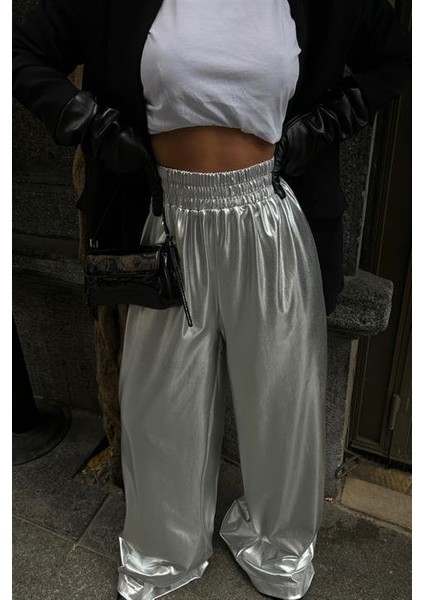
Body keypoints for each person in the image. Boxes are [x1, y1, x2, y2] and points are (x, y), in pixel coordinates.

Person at [13, 1, 411, 599]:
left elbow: (398, 54)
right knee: (158, 405)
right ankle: (163, 549)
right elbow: (20, 51)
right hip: (164, 225)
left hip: (272, 217)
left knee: (281, 402)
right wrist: (95, 127)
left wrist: (325, 125)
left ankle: (279, 546)